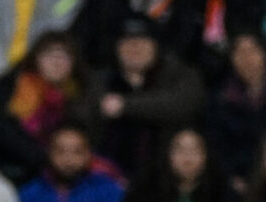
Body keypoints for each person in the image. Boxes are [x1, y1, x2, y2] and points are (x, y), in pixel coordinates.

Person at [86, 19, 203, 181]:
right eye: (128, 42)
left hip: (167, 178)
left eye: (142, 42)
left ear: (156, 46)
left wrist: (125, 105)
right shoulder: (101, 79)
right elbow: (88, 113)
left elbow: (182, 104)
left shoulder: (178, 74)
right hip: (107, 178)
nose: (135, 48)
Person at [208, 30, 266, 184]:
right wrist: (232, 177)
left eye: (253, 50)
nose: (247, 58)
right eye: (240, 52)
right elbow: (216, 146)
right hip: (235, 181)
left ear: (264, 54)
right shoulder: (221, 98)